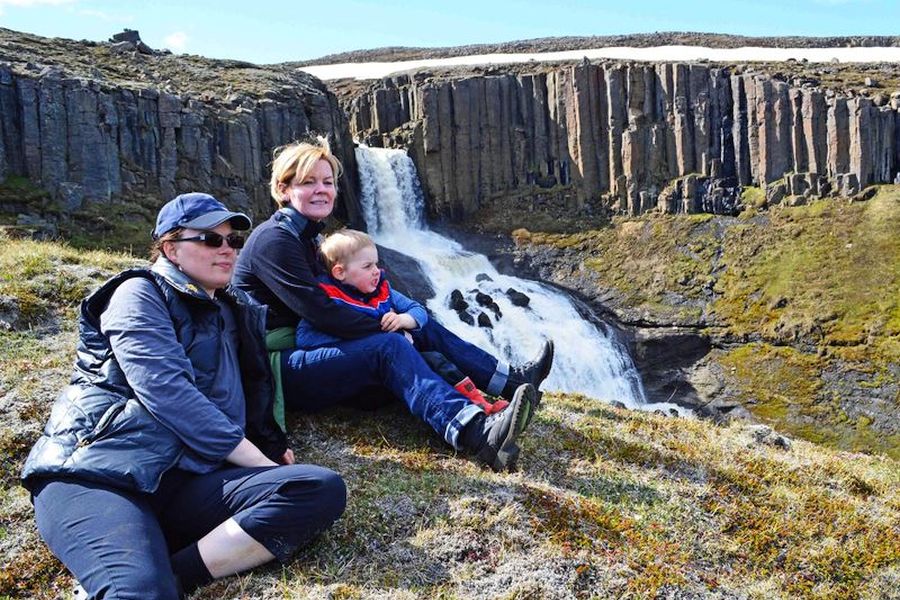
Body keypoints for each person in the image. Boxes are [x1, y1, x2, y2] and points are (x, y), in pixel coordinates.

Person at [21, 193, 347, 600]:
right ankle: (145, 577)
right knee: (138, 592)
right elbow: (167, 391)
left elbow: (249, 389)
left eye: (233, 241)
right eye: (211, 239)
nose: (227, 249)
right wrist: (256, 461)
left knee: (317, 487)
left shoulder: (231, 309)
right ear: (171, 247)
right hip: (102, 477)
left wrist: (270, 445)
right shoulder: (138, 293)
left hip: (186, 482)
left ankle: (174, 575)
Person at [232, 136, 554, 472]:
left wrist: (406, 319)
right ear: (284, 189)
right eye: (308, 182)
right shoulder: (275, 241)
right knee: (389, 343)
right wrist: (392, 324)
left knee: (419, 319)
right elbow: (322, 313)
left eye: (327, 182)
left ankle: (511, 382)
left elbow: (341, 301)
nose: (321, 190)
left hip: (313, 345)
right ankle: (478, 434)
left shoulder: (307, 235)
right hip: (279, 364)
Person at [295, 228, 509, 416]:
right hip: (361, 377)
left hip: (392, 363)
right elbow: (304, 337)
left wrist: (403, 319)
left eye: (376, 264)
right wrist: (369, 335)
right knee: (431, 365)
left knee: (437, 361)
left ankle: (483, 403)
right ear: (340, 272)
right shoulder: (329, 302)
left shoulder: (380, 289)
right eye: (368, 266)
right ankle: (476, 411)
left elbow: (418, 311)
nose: (376, 271)